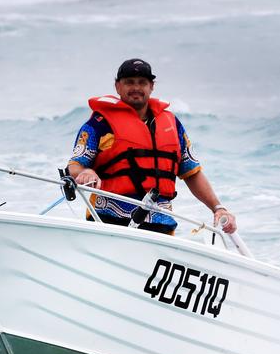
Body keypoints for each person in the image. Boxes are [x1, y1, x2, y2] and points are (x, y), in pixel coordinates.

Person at [66, 58, 237, 236]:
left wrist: (218, 208)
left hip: (161, 227)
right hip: (109, 222)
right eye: (129, 82)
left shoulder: (172, 124)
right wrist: (86, 173)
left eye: (142, 82)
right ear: (117, 86)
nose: (136, 88)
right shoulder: (99, 124)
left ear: (152, 86)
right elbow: (75, 166)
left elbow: (192, 172)